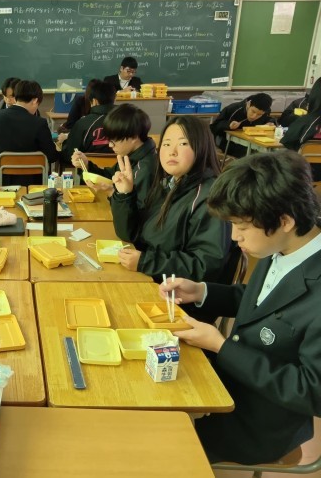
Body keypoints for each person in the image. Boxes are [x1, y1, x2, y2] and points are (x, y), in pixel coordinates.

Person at [161, 151, 321, 465]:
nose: (234, 237)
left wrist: (222, 347)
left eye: (242, 227)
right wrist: (202, 291)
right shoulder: (284, 246)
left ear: (284, 221)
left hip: (259, 423)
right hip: (229, 387)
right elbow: (262, 301)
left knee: (155, 442)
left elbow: (311, 392)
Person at [110, 115, 231, 282]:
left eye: (183, 143)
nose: (172, 151)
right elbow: (131, 235)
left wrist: (146, 262)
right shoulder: (168, 184)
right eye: (166, 144)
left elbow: (206, 266)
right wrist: (125, 194)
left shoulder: (210, 198)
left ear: (202, 147)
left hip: (173, 292)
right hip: (149, 277)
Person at [72, 103, 156, 209]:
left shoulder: (146, 168)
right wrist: (86, 165)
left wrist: (111, 192)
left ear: (134, 137)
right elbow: (109, 176)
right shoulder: (130, 155)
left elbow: (139, 212)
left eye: (113, 141)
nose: (110, 145)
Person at [0, 79, 61, 185]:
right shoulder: (39, 123)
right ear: (35, 101)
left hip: (3, 180)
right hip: (33, 183)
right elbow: (51, 156)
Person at [60, 81, 116, 165]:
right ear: (114, 99)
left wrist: (65, 142)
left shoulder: (83, 123)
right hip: (123, 170)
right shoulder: (129, 119)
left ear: (94, 101)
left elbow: (70, 155)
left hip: (90, 171)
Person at [210, 93, 275, 157]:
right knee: (253, 154)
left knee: (270, 153)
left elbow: (269, 119)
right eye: (253, 111)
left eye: (259, 114)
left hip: (253, 141)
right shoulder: (233, 109)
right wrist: (228, 125)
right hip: (226, 141)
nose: (254, 116)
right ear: (248, 104)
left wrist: (270, 123)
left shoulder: (265, 111)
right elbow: (214, 127)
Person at [280, 77, 321, 152]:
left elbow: (287, 146)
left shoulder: (306, 122)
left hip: (303, 158)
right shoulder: (299, 105)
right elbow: (283, 119)